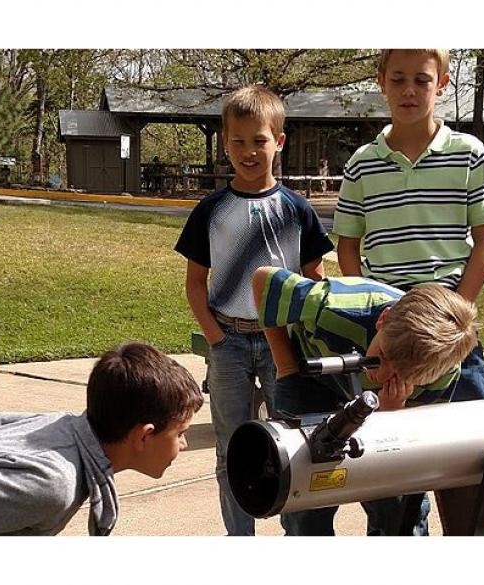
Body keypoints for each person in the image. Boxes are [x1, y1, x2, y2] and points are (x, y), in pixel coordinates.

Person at [332, 49, 484, 533]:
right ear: (382, 81)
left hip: (450, 327)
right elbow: (348, 245)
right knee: (390, 459)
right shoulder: (362, 165)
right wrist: (373, 304)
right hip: (391, 326)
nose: (410, 90)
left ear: (442, 82)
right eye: (399, 79)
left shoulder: (468, 153)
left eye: (422, 80)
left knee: (473, 449)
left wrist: (459, 313)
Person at [174, 85, 334, 536]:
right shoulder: (210, 210)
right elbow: (195, 283)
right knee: (231, 446)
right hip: (228, 343)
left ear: (278, 142)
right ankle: (239, 536)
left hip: (282, 344)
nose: (248, 151)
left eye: (259, 140)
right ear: (225, 143)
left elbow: (313, 281)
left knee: (290, 442)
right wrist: (216, 338)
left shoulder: (296, 210)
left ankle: (293, 530)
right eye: (238, 141)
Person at [0, 343, 203, 536]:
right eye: (181, 434)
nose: (184, 445)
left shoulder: (65, 425)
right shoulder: (53, 483)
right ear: (144, 436)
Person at [252, 266, 479, 536]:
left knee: (399, 501)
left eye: (402, 375)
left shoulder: (439, 370)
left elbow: (415, 439)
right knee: (305, 490)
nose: (382, 374)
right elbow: (263, 280)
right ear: (384, 318)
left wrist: (392, 414)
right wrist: (286, 364)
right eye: (382, 357)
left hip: (390, 406)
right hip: (310, 380)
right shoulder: (332, 305)